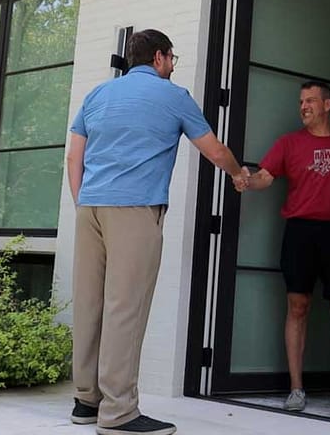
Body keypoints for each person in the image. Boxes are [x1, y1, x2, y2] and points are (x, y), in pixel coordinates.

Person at [66, 29, 249, 435]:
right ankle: (119, 414)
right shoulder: (173, 96)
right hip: (133, 210)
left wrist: (83, 204)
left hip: (91, 207)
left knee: (90, 306)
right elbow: (214, 150)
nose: (172, 66)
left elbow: (73, 155)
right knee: (124, 310)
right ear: (161, 58)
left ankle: (86, 400)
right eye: (172, 59)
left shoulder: (97, 95)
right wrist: (239, 173)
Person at [241, 80, 330, 415]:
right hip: (300, 232)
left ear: (328, 105)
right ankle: (296, 389)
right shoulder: (289, 143)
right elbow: (265, 176)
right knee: (297, 306)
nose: (304, 106)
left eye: (311, 101)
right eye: (301, 101)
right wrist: (247, 180)